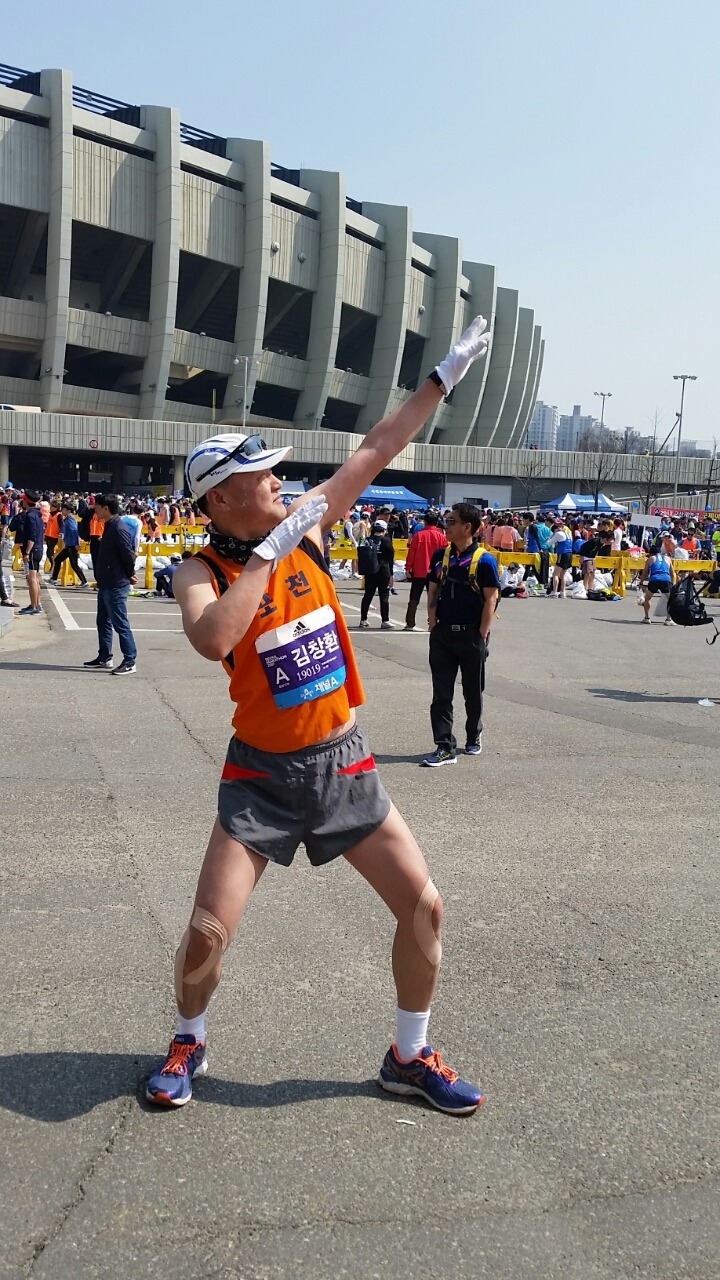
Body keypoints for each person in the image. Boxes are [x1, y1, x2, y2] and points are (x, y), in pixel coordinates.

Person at [144, 314, 491, 1116]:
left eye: (276, 472)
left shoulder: (306, 523)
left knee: (425, 907)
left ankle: (409, 1055)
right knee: (207, 933)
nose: (279, 481)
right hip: (260, 776)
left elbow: (377, 447)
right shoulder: (199, 569)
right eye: (261, 475)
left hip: (343, 762)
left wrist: (443, 378)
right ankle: (188, 1039)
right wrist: (266, 559)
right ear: (220, 497)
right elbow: (213, 638)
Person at [421, 503, 499, 767]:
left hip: (471, 636)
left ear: (468, 527)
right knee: (441, 694)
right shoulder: (440, 556)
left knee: (472, 691)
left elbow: (491, 600)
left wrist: (482, 634)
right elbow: (432, 590)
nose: (447, 525)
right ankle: (444, 746)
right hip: (443, 635)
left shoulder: (484, 561)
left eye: (452, 521)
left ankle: (473, 734)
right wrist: (433, 622)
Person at [83, 494, 138, 673]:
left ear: (106, 508)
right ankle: (105, 656)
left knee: (120, 623)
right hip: (106, 582)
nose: (95, 511)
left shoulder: (118, 528)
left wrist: (130, 574)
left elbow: (128, 554)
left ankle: (130, 661)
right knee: (103, 621)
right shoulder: (108, 525)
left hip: (115, 583)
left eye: (97, 508)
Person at [403, 510, 447, 630]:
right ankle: (432, 623)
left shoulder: (418, 535)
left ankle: (410, 622)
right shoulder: (441, 537)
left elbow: (411, 553)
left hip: (419, 570)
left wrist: (408, 568)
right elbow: (445, 555)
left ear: (425, 522)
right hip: (436, 572)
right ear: (437, 523)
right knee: (434, 599)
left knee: (414, 598)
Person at [358, 519, 395, 629]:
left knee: (368, 595)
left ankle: (363, 619)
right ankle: (385, 620)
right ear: (384, 530)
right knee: (384, 596)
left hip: (370, 571)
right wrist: (391, 574)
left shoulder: (368, 540)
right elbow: (390, 558)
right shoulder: (386, 540)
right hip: (383, 571)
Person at [17, 491, 45, 615]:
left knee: (31, 578)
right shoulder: (38, 515)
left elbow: (32, 536)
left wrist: (27, 552)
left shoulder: (30, 516)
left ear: (26, 501)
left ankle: (34, 607)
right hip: (38, 549)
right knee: (35, 578)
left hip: (33, 550)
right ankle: (36, 603)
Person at [49, 504, 89, 587]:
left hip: (72, 546)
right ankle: (54, 579)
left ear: (69, 511)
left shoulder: (70, 519)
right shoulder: (68, 519)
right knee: (61, 561)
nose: (62, 511)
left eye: (64, 509)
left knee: (72, 564)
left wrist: (76, 544)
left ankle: (84, 582)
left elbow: (74, 531)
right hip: (69, 545)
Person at [640, 546, 676, 624]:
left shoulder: (650, 559)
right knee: (670, 600)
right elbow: (673, 573)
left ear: (651, 553)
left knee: (647, 598)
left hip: (654, 579)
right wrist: (673, 584)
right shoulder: (668, 558)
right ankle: (669, 619)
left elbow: (645, 573)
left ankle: (647, 618)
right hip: (666, 579)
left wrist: (641, 583)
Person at [548, 521, 573, 597]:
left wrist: (549, 539)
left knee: (555, 574)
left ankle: (555, 592)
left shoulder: (558, 534)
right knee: (563, 575)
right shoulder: (568, 533)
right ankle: (563, 592)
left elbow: (549, 543)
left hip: (562, 554)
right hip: (569, 554)